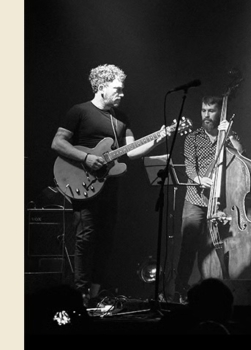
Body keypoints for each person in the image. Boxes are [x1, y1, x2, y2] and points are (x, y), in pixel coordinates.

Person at [51, 64, 171, 306]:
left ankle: (95, 294)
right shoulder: (79, 111)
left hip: (108, 186)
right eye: (118, 89)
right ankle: (79, 294)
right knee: (85, 238)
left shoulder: (121, 119)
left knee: (106, 240)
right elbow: (58, 143)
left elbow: (132, 151)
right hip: (82, 182)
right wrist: (86, 157)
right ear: (101, 87)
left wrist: (159, 138)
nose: (122, 94)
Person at [174, 95, 244, 302]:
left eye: (211, 111)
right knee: (189, 246)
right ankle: (180, 290)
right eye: (204, 110)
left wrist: (228, 135)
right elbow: (189, 166)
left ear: (219, 112)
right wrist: (198, 179)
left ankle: (215, 291)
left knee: (214, 247)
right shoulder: (193, 138)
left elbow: (241, 155)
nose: (206, 115)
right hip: (195, 199)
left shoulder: (230, 135)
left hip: (222, 201)